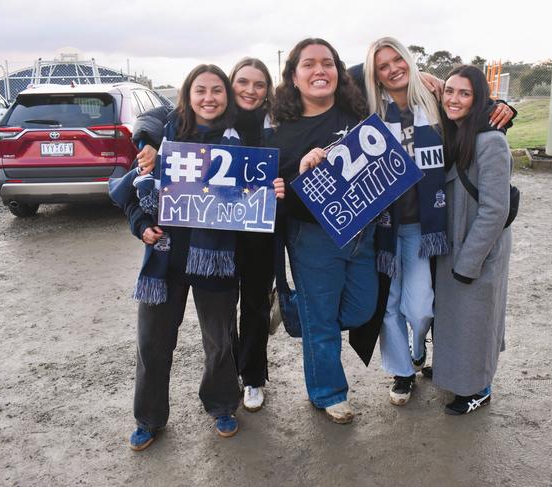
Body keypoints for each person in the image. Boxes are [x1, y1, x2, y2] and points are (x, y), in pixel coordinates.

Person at [118, 63, 284, 449]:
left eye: (216, 91)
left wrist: (270, 193)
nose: (209, 98)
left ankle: (223, 404)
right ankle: (149, 418)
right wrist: (141, 225)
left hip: (216, 258)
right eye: (200, 91)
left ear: (226, 97)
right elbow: (132, 191)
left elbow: (253, 201)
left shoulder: (240, 142)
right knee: (153, 343)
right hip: (165, 258)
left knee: (220, 341)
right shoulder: (164, 137)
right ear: (188, 96)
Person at [268, 38, 377, 424]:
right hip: (311, 236)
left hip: (362, 232)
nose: (319, 71)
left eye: (327, 63)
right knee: (324, 322)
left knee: (362, 308)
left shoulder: (358, 110)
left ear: (339, 71)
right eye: (309, 65)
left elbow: (392, 68)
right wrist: (300, 169)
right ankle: (329, 393)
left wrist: (427, 75)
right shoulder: (281, 132)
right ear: (294, 77)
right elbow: (275, 192)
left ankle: (297, 311)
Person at [363, 37, 446, 406]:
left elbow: (474, 108)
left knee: (420, 308)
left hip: (420, 226)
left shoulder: (433, 102)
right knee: (388, 305)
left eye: (399, 60)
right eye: (383, 65)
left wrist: (501, 108)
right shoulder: (369, 113)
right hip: (381, 227)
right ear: (375, 75)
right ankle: (402, 372)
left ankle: (418, 349)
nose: (393, 68)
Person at [433, 64, 512, 415]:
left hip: (477, 248)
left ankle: (480, 388)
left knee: (476, 321)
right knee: (456, 319)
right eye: (449, 91)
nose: (454, 98)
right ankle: (458, 374)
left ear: (479, 98)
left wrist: (469, 260)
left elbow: (495, 209)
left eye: (464, 93)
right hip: (456, 243)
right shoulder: (457, 133)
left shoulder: (491, 140)